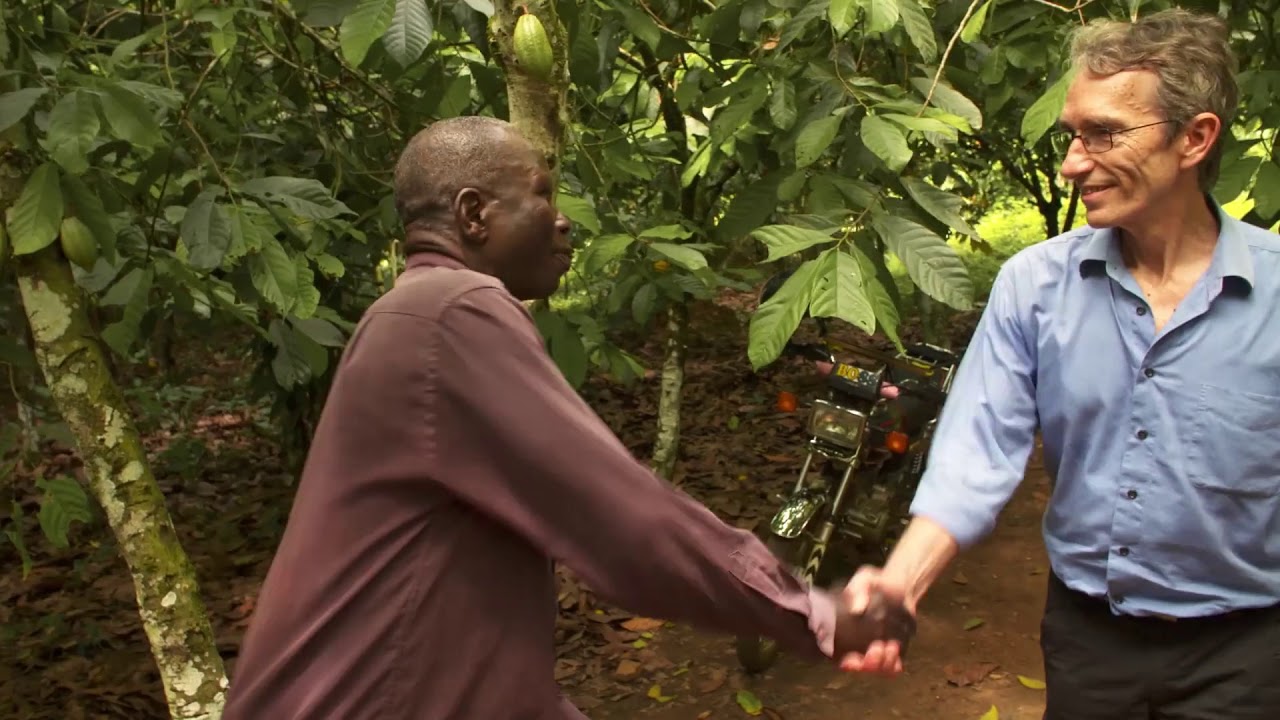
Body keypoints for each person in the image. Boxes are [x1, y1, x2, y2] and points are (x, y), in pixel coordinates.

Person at [220, 116, 912, 720]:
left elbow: (460, 622)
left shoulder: (410, 315)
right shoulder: (451, 312)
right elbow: (620, 520)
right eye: (542, 194)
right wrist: (815, 615)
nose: (562, 218)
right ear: (472, 215)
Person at [838, 8, 1280, 720]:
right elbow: (975, 455)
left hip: (1248, 652)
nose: (1073, 162)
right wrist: (898, 585)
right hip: (1088, 640)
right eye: (1074, 135)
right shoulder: (1034, 285)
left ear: (1195, 138)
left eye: (1104, 134)